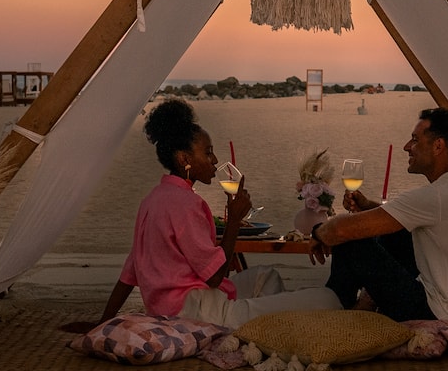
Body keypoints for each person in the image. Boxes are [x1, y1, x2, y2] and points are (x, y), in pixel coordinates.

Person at [63, 99, 320, 334]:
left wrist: (104, 321)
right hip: (195, 314)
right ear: (185, 159)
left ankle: (259, 329)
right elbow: (215, 277)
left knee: (267, 276)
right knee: (325, 298)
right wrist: (233, 223)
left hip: (169, 310)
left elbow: (129, 273)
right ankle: (249, 329)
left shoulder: (151, 200)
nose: (215, 159)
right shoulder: (188, 204)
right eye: (207, 152)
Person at [305, 107, 448, 325]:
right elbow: (401, 222)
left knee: (350, 239)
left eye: (415, 140)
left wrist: (318, 232)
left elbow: (340, 230)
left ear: (438, 146)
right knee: (394, 233)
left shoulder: (436, 196)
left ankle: (337, 313)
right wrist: (370, 207)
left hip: (440, 316)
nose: (406, 147)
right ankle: (361, 307)